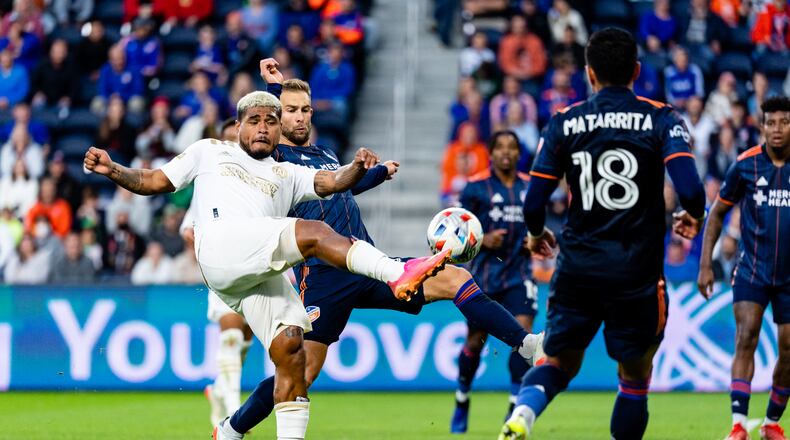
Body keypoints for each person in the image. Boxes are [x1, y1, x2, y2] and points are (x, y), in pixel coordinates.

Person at [84, 90, 454, 440]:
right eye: (254, 120)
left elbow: (331, 181)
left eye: (271, 121)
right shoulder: (211, 151)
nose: (263, 127)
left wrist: (356, 168)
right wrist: (113, 169)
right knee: (312, 232)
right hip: (220, 248)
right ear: (239, 126)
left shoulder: (287, 173)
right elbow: (154, 180)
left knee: (292, 349)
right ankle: (395, 272)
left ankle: (228, 432)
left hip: (253, 273)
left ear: (280, 130)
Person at [216, 61, 546, 439]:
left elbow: (343, 187)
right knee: (298, 373)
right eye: (291, 111)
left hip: (370, 265)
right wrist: (275, 89)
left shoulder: (322, 154)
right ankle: (232, 429)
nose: (301, 117)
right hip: (324, 278)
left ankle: (525, 345)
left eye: (306, 109)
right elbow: (256, 140)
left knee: (456, 278)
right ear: (277, 116)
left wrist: (376, 172)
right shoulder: (273, 160)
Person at [500, 28, 706, 440]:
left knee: (557, 362)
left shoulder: (565, 121)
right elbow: (692, 191)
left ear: (589, 74)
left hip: (579, 266)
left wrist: (537, 233)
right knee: (634, 375)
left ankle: (523, 413)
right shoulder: (662, 117)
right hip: (638, 271)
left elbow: (534, 201)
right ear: (637, 70)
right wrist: (692, 214)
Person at [697, 96, 790, 440]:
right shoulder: (746, 165)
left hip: (789, 278)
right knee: (746, 335)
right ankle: (738, 425)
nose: (777, 129)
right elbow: (718, 212)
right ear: (761, 126)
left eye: (784, 122)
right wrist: (706, 263)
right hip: (752, 269)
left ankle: (771, 423)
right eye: (771, 122)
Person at [451, 130, 537, 433]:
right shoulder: (476, 188)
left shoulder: (531, 186)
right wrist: (483, 240)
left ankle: (514, 408)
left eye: (512, 147)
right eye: (500, 147)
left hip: (520, 274)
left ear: (518, 153)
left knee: (523, 340)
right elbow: (457, 235)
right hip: (485, 276)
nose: (506, 152)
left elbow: (543, 224)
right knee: (475, 342)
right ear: (491, 152)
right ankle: (462, 398)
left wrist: (535, 239)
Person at [180, 118, 255, 426]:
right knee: (232, 337)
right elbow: (188, 229)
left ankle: (220, 390)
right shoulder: (209, 182)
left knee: (245, 339)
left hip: (256, 267)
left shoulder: (257, 176)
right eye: (226, 141)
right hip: (224, 269)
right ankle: (233, 413)